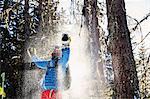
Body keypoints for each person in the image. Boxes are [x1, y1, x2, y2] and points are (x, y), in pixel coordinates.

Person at [28, 34, 71, 99]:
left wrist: (65, 45)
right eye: (55, 51)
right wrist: (33, 55)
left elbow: (65, 57)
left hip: (55, 90)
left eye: (58, 50)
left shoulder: (61, 62)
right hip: (47, 90)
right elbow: (39, 63)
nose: (56, 51)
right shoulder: (49, 63)